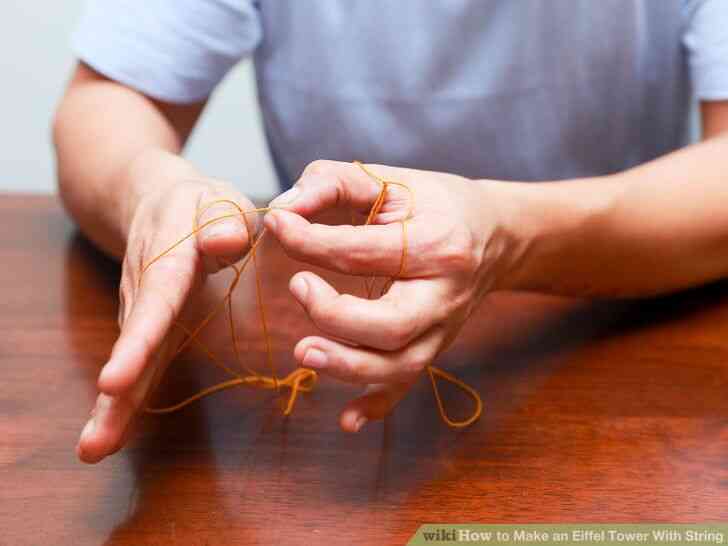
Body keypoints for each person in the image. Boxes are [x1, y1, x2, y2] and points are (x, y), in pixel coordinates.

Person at [55, 1, 728, 464]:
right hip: (326, 409)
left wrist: (510, 234)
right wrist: (152, 192)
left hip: (627, 357)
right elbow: (107, 102)